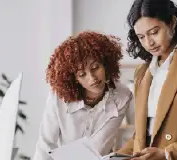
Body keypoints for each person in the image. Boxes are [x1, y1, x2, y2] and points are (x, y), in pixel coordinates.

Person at [115, 0, 177, 159]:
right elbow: (142, 134)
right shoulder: (142, 73)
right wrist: (117, 156)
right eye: (141, 37)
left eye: (154, 32)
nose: (149, 43)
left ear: (172, 22)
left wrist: (167, 153)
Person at [32, 31, 135, 160]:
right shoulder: (58, 96)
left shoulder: (122, 96)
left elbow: (100, 145)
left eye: (95, 67)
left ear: (105, 64)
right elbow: (46, 144)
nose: (92, 78)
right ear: (74, 78)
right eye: (82, 74)